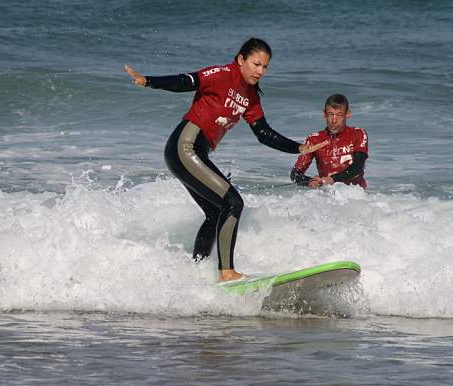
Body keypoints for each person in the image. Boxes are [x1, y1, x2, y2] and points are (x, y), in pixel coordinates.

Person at [124, 38, 327, 282]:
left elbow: (263, 133)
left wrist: (298, 148)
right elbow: (185, 81)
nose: (260, 71)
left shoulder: (251, 95)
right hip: (184, 147)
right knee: (233, 202)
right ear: (241, 59)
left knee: (215, 211)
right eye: (256, 64)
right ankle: (227, 272)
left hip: (193, 152)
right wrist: (148, 81)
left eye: (265, 67)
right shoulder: (221, 74)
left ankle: (196, 272)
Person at [290, 94, 368, 188]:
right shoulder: (314, 139)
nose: (334, 120)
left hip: (356, 195)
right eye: (331, 114)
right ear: (324, 114)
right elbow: (295, 174)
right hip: (327, 197)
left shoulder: (358, 134)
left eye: (339, 115)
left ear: (347, 114)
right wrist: (309, 182)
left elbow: (358, 166)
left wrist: (333, 179)